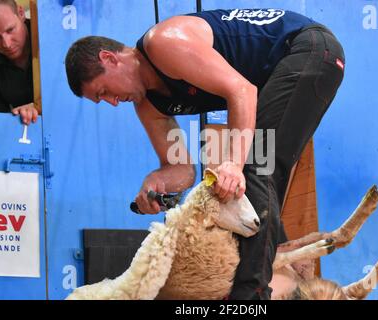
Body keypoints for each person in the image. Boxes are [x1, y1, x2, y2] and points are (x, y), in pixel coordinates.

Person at [65, 8, 345, 299]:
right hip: (278, 73)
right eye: (102, 101)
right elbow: (182, 170)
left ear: (109, 59)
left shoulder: (163, 43)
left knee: (256, 164)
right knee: (254, 164)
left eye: (103, 92)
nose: (111, 103)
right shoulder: (147, 105)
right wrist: (155, 183)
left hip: (309, 49)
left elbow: (242, 92)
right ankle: (280, 285)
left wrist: (233, 165)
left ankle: (250, 297)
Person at [0, 0, 38, 125]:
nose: (6, 44)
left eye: (10, 30)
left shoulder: (50, 38)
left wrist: (38, 106)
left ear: (21, 13)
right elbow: (0, 121)